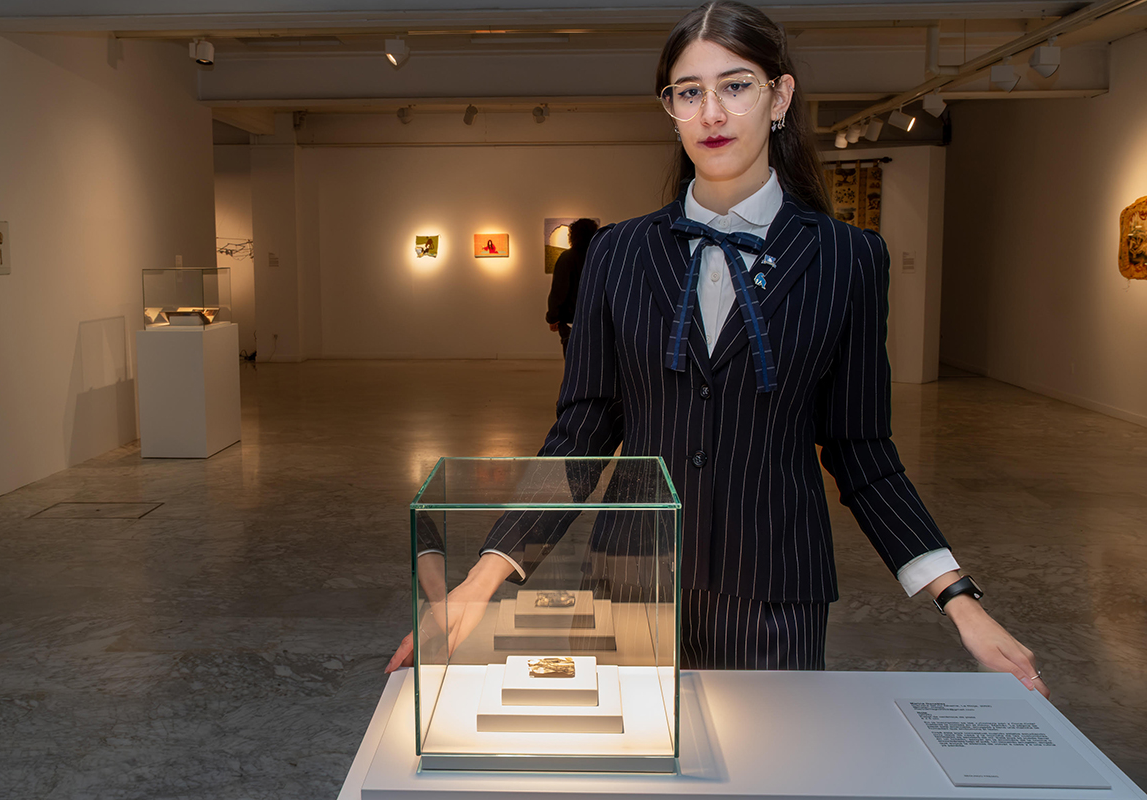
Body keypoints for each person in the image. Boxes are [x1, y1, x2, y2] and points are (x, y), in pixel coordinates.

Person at [388, 0, 1047, 697]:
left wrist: (960, 600)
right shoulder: (618, 252)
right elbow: (582, 434)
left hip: (773, 590)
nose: (712, 113)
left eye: (735, 86)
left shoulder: (848, 260)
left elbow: (862, 452)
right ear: (669, 108)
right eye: (689, 92)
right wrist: (485, 575)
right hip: (630, 582)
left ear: (779, 97)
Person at [546, 218, 601, 356]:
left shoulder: (567, 258)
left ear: (573, 235)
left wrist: (553, 317)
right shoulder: (600, 257)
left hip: (571, 320)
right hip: (597, 319)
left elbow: (559, 290)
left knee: (574, 363)